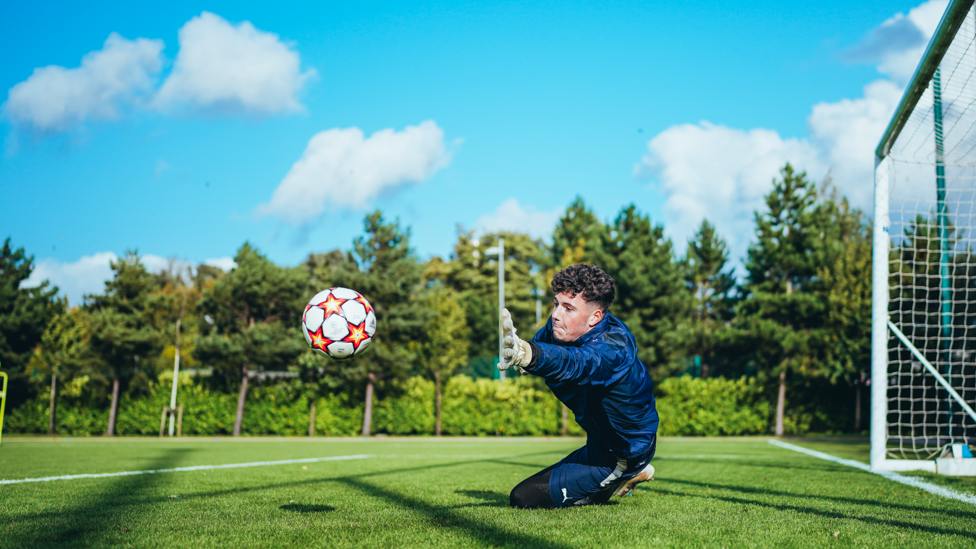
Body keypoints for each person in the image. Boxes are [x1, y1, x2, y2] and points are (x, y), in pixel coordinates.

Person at [500, 264, 658, 509]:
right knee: (528, 494)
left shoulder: (614, 348)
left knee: (523, 499)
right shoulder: (559, 331)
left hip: (622, 453)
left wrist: (530, 356)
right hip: (598, 445)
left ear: (595, 317)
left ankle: (629, 472)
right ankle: (619, 476)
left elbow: (579, 363)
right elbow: (544, 350)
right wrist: (525, 353)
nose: (556, 314)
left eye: (569, 308)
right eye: (556, 304)